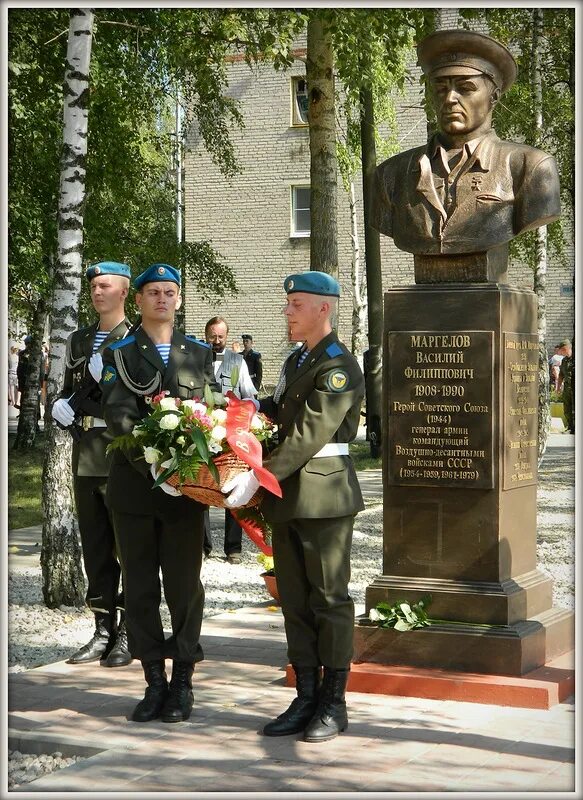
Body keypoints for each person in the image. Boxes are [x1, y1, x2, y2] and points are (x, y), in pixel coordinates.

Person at [223, 271, 365, 743]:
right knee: (296, 603)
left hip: (323, 496)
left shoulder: (338, 365)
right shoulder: (298, 359)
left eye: (296, 303)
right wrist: (233, 416)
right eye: (288, 303)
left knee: (329, 600)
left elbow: (308, 434)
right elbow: (280, 413)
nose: (287, 311)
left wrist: (257, 476)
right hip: (288, 497)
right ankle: (305, 696)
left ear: (324, 308)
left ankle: (334, 702)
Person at [100, 263, 220, 724]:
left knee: (186, 587)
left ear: (180, 299)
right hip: (136, 491)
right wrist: (158, 467)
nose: (163, 300)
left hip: (187, 493)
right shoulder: (120, 351)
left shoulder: (198, 353)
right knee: (141, 588)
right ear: (139, 300)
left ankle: (184, 680)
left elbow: (211, 412)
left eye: (170, 292)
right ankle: (154, 681)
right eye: (153, 292)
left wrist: (191, 469)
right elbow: (119, 417)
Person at [372, 30, 561, 275]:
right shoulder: (391, 174)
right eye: (441, 89)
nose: (450, 98)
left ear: (493, 97)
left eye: (465, 88)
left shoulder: (531, 167)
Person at [51, 261, 133, 668]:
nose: (96, 292)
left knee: (129, 546)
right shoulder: (80, 340)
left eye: (105, 285)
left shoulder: (135, 338)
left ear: (123, 291)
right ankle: (103, 628)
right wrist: (57, 405)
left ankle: (131, 629)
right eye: (93, 286)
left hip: (122, 454)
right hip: (86, 453)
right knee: (96, 548)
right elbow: (69, 389)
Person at [202, 316, 257, 563]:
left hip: (231, 431)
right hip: (201, 430)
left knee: (232, 485)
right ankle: (202, 546)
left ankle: (233, 548)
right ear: (206, 335)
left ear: (227, 336)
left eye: (220, 337)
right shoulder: (196, 357)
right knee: (200, 485)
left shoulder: (238, 362)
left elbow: (250, 395)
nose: (216, 341)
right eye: (212, 336)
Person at [557, 339, 574, 434]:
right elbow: (561, 375)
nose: (561, 352)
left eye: (562, 350)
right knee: (567, 407)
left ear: (566, 348)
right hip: (567, 388)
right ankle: (570, 427)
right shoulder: (564, 360)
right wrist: (558, 387)